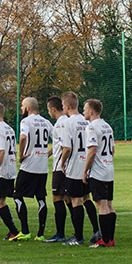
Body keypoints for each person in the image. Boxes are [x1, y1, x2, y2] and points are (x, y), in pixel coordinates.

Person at [59, 92, 100, 246]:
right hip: (87, 165)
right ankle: (96, 230)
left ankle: (78, 237)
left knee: (75, 201)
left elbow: (67, 148)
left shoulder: (67, 123)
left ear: (67, 106)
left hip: (75, 166)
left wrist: (62, 163)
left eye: (63, 105)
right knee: (85, 198)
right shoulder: (86, 122)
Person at [14, 97, 53, 241]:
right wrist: (47, 154)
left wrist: (21, 154)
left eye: (22, 106)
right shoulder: (46, 122)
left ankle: (25, 231)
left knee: (17, 195)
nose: (21, 109)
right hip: (42, 167)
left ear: (28, 108)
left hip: (29, 165)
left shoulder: (25, 121)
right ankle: (40, 234)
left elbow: (23, 137)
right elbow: (59, 140)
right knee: (41, 198)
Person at [82, 99, 116, 248]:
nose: (83, 112)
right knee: (109, 205)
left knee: (101, 205)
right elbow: (113, 150)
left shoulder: (91, 127)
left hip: (98, 172)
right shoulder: (107, 126)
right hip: (109, 169)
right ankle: (111, 239)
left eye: (85, 109)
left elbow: (92, 150)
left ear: (91, 111)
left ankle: (105, 240)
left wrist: (85, 171)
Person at [0, 103, 20, 240]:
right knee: (4, 199)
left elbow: (1, 150)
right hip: (11, 167)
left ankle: (14, 231)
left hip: (3, 169)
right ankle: (16, 230)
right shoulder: (9, 128)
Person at [42, 96, 70, 243]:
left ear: (53, 109)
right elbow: (61, 143)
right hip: (64, 165)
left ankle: (60, 234)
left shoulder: (60, 124)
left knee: (57, 198)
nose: (49, 113)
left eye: (48, 109)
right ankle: (77, 233)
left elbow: (66, 147)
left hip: (60, 168)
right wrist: (49, 153)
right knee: (68, 198)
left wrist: (62, 163)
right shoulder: (66, 122)